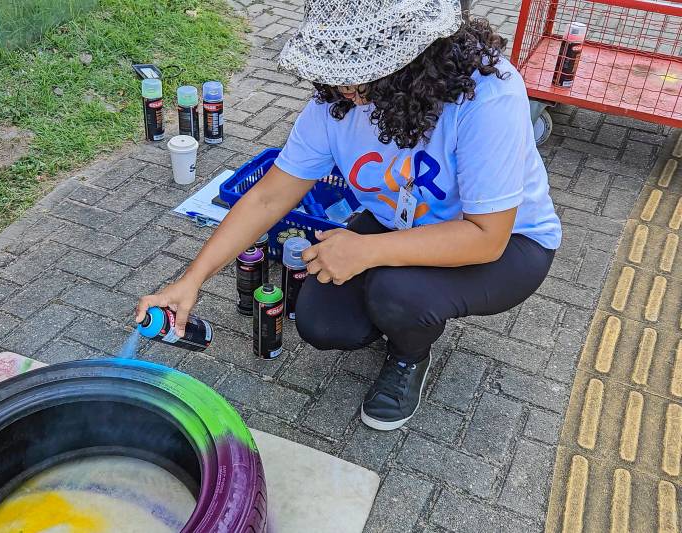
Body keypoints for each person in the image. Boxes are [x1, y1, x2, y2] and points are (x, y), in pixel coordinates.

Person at [135, 0, 561, 431]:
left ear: (416, 56)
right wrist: (192, 279)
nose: (347, 89)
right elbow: (268, 198)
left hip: (509, 245)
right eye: (338, 69)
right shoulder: (336, 100)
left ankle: (410, 355)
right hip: (401, 223)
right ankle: (401, 310)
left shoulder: (488, 94)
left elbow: (487, 236)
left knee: (398, 293)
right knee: (323, 323)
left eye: (363, 71)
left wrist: (367, 251)